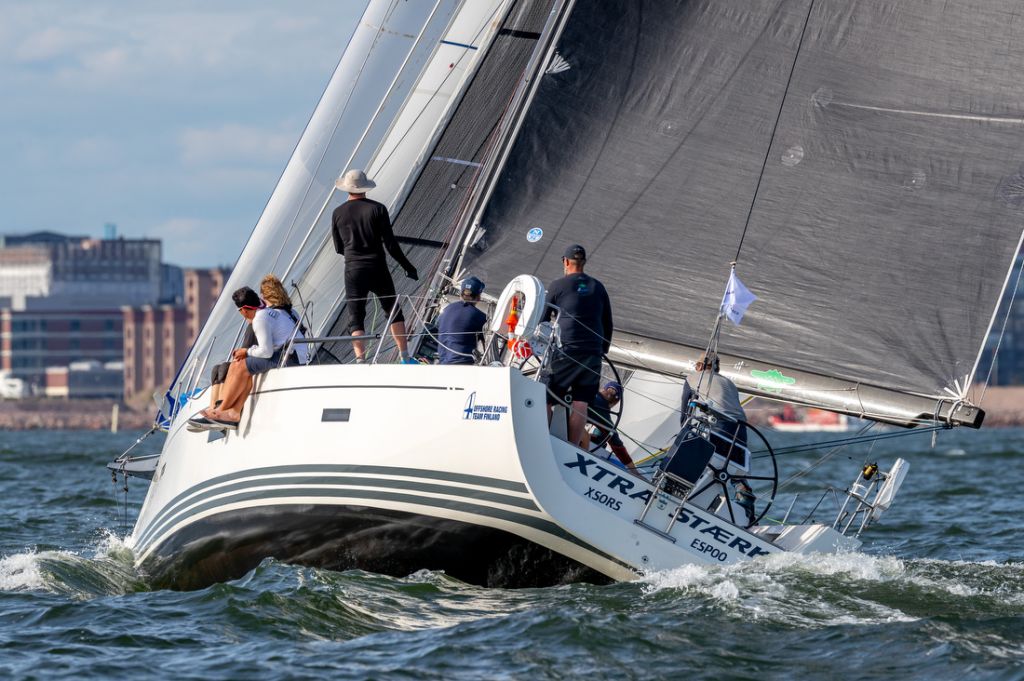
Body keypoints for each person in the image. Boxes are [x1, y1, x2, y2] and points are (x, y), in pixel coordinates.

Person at [188, 286, 307, 430]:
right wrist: (246, 354)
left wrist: (247, 351)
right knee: (237, 365)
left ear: (243, 310)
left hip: (290, 358)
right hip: (291, 354)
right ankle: (231, 413)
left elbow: (266, 352)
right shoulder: (268, 313)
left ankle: (219, 411)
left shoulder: (259, 319)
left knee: (240, 365)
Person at [331, 168, 418, 364]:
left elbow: (338, 247)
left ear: (347, 189)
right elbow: (390, 245)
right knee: (392, 309)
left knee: (356, 314)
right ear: (364, 188)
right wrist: (408, 266)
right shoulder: (378, 209)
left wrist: (355, 255)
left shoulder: (337, 213)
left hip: (353, 269)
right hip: (377, 267)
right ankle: (405, 357)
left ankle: (360, 360)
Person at [545, 244, 613, 448]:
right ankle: (571, 447)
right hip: (593, 352)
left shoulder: (558, 285)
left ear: (565, 262)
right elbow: (608, 323)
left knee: (546, 397)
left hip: (568, 351)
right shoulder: (598, 287)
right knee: (581, 402)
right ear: (583, 263)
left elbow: (541, 320)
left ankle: (542, 439)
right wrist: (602, 350)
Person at [680, 351, 747, 461]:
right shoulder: (729, 382)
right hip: (741, 428)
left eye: (696, 365)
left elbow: (685, 405)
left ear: (700, 365)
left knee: (705, 461)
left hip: (720, 424)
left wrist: (683, 428)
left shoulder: (692, 378)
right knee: (734, 466)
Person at [584, 381, 640, 476]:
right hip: (565, 436)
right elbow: (617, 446)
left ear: (603, 389)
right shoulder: (603, 412)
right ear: (616, 401)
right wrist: (636, 473)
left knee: (596, 437)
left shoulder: (587, 390)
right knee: (591, 438)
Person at [436, 276, 487, 365]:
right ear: (478, 297)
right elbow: (487, 347)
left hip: (442, 364)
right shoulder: (480, 317)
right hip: (462, 365)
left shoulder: (445, 311)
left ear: (460, 294)